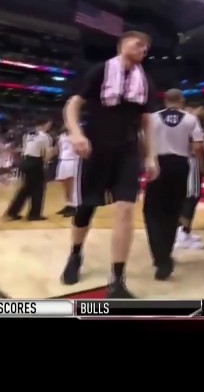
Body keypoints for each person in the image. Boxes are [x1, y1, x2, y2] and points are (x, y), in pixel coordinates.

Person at [60, 31, 158, 299]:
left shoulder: (145, 80)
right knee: (85, 208)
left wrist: (150, 155)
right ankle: (75, 254)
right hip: (95, 147)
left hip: (127, 150)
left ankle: (117, 279)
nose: (143, 48)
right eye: (139, 43)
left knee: (126, 209)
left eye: (147, 47)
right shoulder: (100, 71)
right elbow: (72, 105)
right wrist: (76, 133)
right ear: (122, 45)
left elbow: (146, 122)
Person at [144, 89, 204, 280]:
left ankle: (160, 258)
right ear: (181, 100)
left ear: (165, 100)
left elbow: (142, 142)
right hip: (180, 164)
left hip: (158, 163)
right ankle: (166, 255)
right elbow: (197, 147)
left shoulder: (152, 118)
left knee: (152, 212)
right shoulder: (190, 119)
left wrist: (146, 160)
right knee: (173, 211)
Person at [4, 119, 53, 221]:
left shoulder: (27, 135)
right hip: (35, 162)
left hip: (25, 161)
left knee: (26, 189)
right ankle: (34, 214)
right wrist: (47, 162)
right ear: (47, 124)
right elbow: (47, 154)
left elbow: (25, 149)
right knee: (38, 189)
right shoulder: (45, 136)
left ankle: (12, 212)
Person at [175, 105, 204, 250]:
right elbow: (197, 147)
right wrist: (203, 166)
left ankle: (182, 232)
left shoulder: (174, 122)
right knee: (191, 197)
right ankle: (182, 234)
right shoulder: (191, 121)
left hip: (175, 161)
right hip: (190, 161)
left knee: (182, 198)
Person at [53, 126, 79, 218]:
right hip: (63, 160)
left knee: (73, 185)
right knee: (65, 184)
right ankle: (68, 204)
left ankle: (75, 206)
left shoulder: (77, 135)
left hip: (73, 160)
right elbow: (57, 149)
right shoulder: (61, 136)